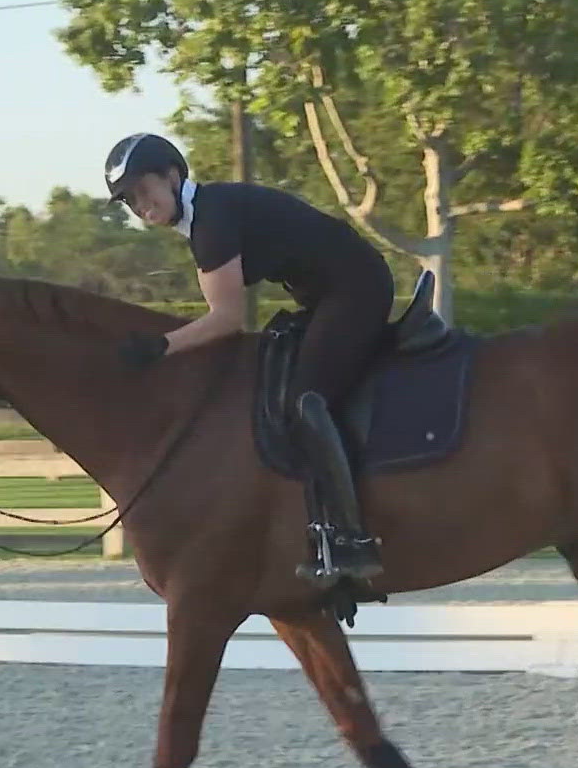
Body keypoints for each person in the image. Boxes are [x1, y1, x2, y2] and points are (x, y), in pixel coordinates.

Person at [105, 132, 394, 585]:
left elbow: (227, 320)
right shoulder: (207, 218)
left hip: (354, 289)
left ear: (172, 175)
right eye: (129, 200)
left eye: (143, 190)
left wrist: (161, 347)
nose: (139, 205)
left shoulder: (211, 223)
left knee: (306, 402)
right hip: (324, 296)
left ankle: (351, 539)